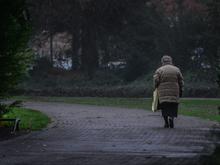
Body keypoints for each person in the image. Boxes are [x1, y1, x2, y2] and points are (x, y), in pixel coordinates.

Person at [153, 55, 184, 128]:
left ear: (162, 61)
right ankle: (171, 118)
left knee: (164, 107)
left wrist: (155, 87)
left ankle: (166, 122)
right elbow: (181, 81)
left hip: (163, 92)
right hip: (174, 91)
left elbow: (156, 80)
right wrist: (181, 89)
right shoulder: (176, 69)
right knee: (173, 106)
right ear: (171, 61)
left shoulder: (159, 70)